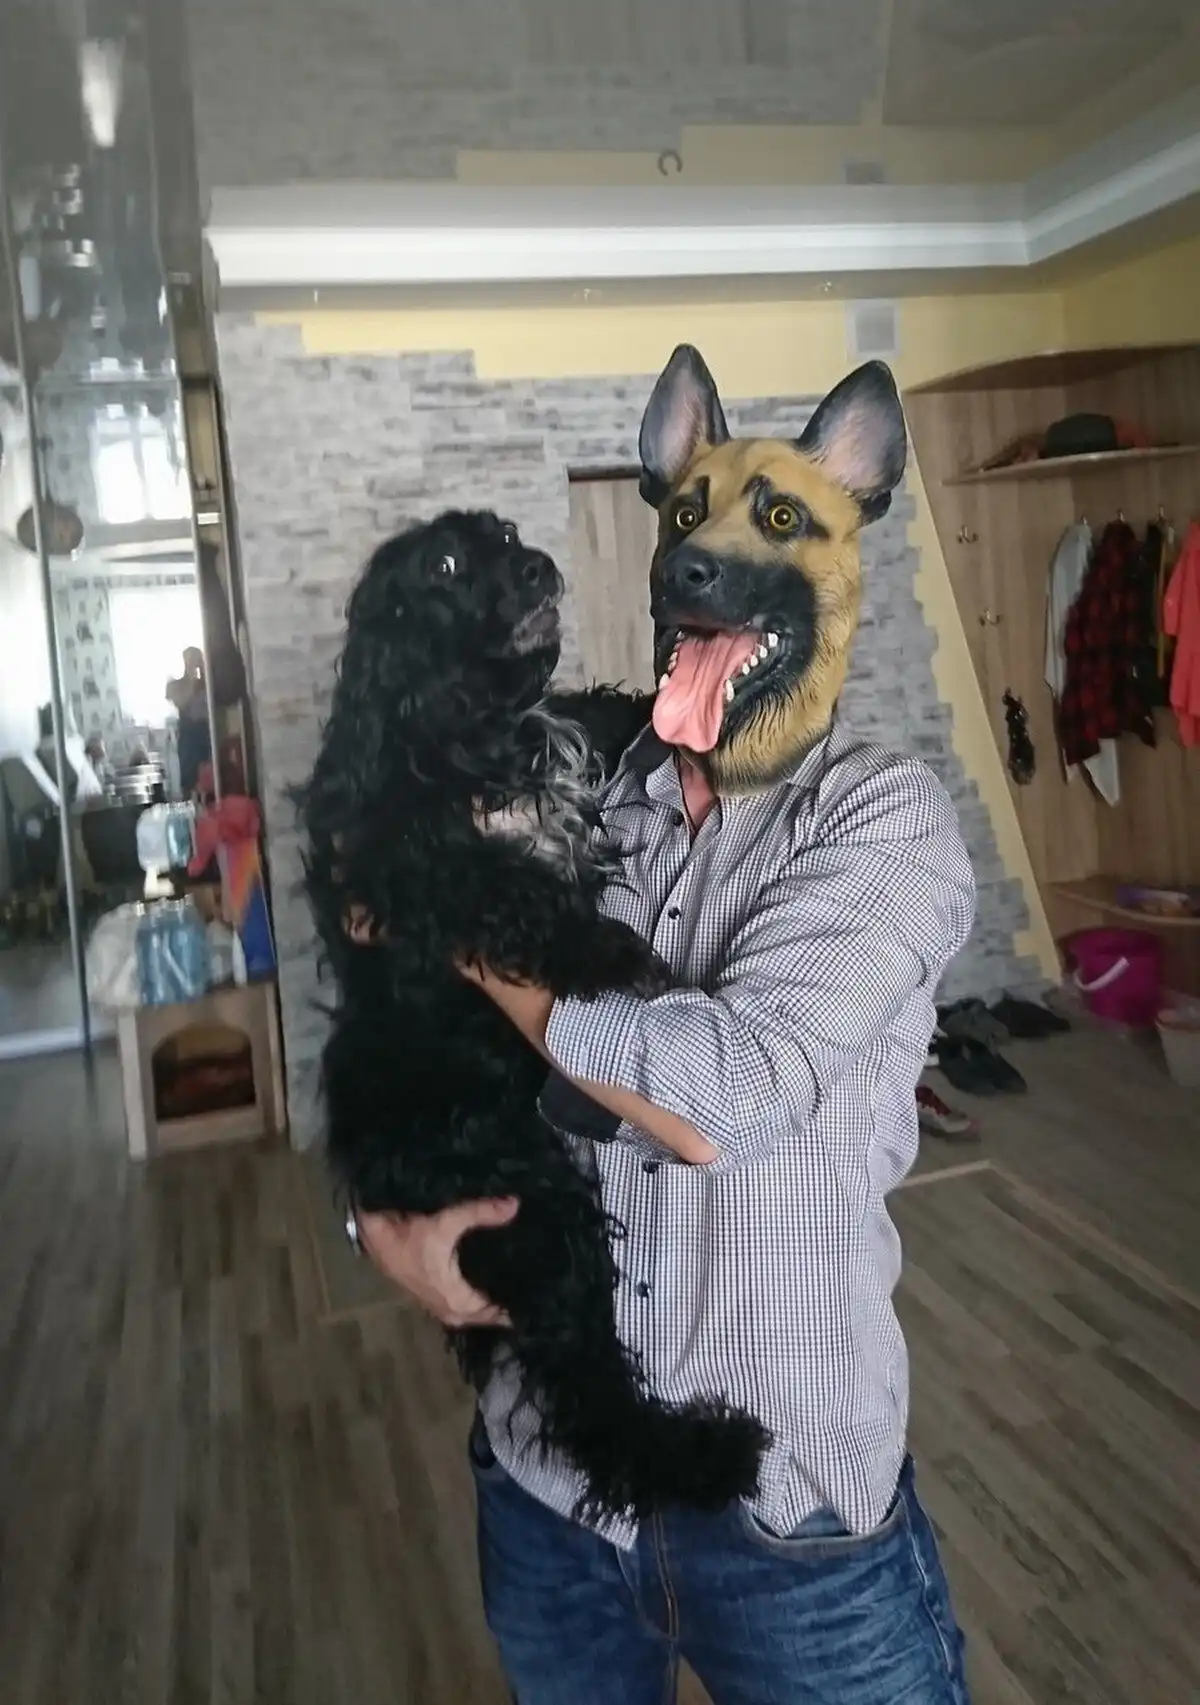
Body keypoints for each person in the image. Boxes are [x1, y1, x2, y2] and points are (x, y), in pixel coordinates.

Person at [353, 349, 977, 1704]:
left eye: (778, 520)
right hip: (546, 1487)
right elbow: (402, 1028)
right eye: (687, 516)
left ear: (851, 540)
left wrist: (464, 924)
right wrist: (376, 1225)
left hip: (791, 1524)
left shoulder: (884, 821)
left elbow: (717, 1098)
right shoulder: (579, 784)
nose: (704, 551)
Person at [166, 645, 212, 796]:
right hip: (188, 739)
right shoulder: (176, 685)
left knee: (209, 782)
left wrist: (205, 670)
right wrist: (191, 678)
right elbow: (182, 702)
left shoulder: (208, 684)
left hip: (206, 736)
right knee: (190, 784)